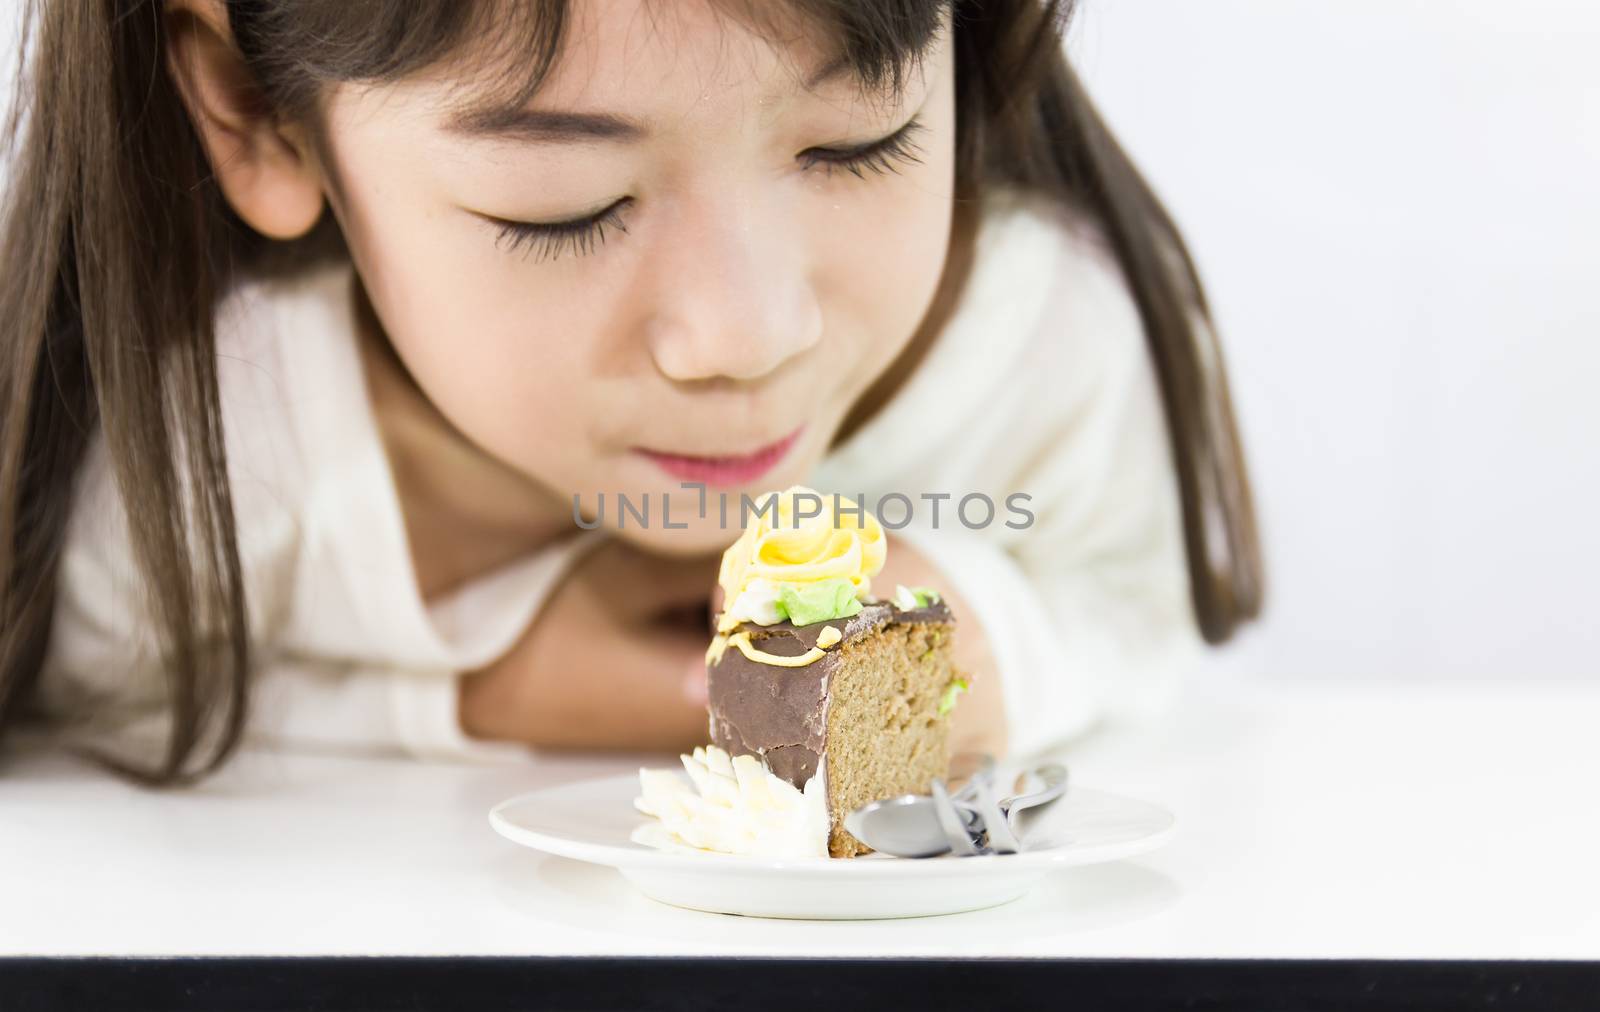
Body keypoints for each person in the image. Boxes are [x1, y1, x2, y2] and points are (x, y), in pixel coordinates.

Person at [0, 0, 1262, 783]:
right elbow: (85, 684)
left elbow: (1135, 614)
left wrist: (1004, 655)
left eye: (855, 143)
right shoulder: (215, 444)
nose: (746, 335)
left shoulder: (1035, 348)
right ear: (255, 117)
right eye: (569, 211)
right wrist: (493, 691)